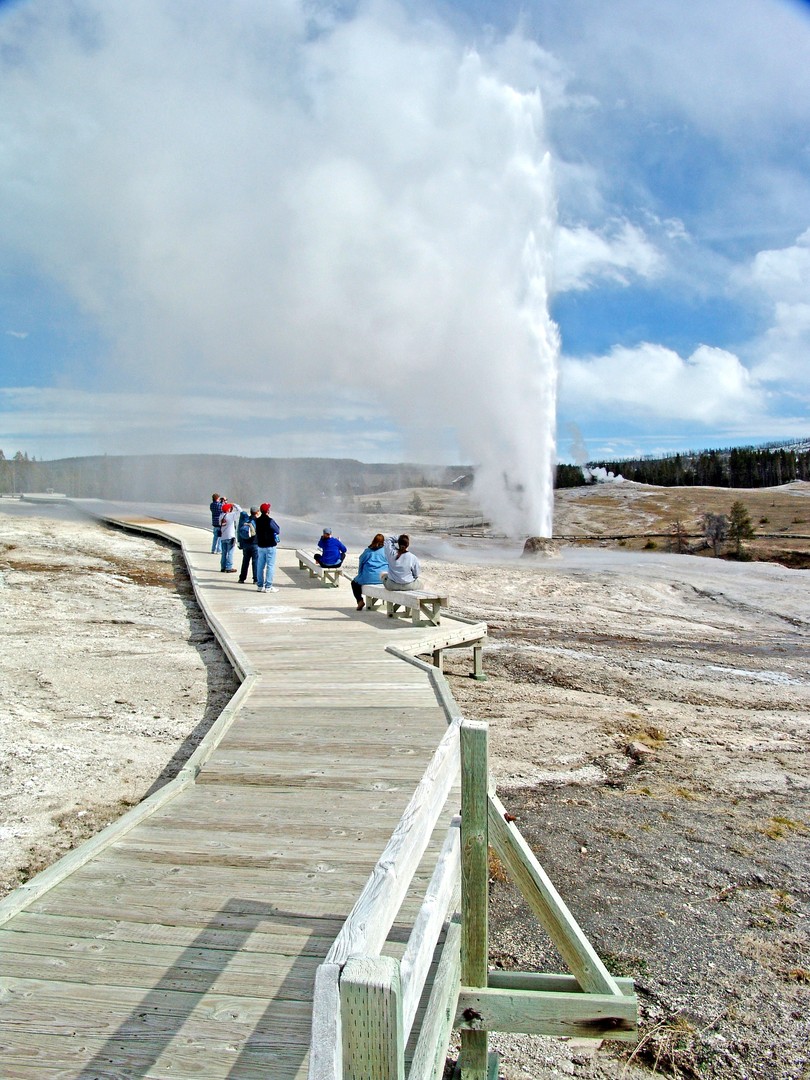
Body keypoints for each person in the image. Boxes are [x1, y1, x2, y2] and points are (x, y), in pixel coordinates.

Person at [351, 533, 387, 610]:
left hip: (368, 577)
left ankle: (359, 600)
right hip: (383, 578)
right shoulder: (386, 551)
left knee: (354, 583)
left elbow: (361, 562)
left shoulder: (368, 551)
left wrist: (360, 574)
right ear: (383, 542)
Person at [255, 503, 281, 592]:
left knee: (260, 566)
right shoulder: (270, 520)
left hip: (260, 546)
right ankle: (268, 586)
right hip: (270, 546)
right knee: (270, 566)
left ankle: (259, 585)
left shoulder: (257, 520)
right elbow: (277, 530)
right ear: (267, 511)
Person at [237, 506, 260, 584]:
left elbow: (239, 531)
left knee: (245, 561)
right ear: (257, 512)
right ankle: (256, 579)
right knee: (255, 561)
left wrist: (240, 543)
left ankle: (242, 578)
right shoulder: (257, 521)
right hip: (255, 544)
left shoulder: (245, 520)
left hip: (246, 544)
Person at [218, 501, 241, 572]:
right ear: (228, 509)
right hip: (230, 537)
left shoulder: (221, 516)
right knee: (230, 552)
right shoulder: (231, 515)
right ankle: (229, 567)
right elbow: (240, 511)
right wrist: (234, 505)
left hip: (223, 537)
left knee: (224, 553)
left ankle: (223, 567)